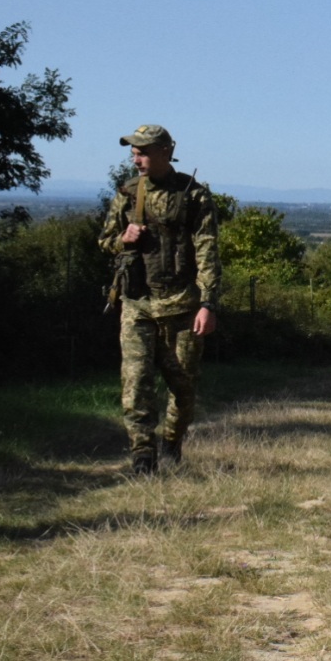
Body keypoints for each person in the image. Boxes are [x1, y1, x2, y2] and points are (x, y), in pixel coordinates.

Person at [99, 124, 221, 475]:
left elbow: (207, 251)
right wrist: (124, 237)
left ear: (165, 151)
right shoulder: (127, 193)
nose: (137, 159)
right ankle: (142, 455)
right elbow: (105, 241)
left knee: (183, 390)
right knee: (135, 384)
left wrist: (208, 304)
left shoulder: (193, 195)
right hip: (137, 304)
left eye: (143, 152)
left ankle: (171, 443)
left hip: (183, 307)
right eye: (134, 153)